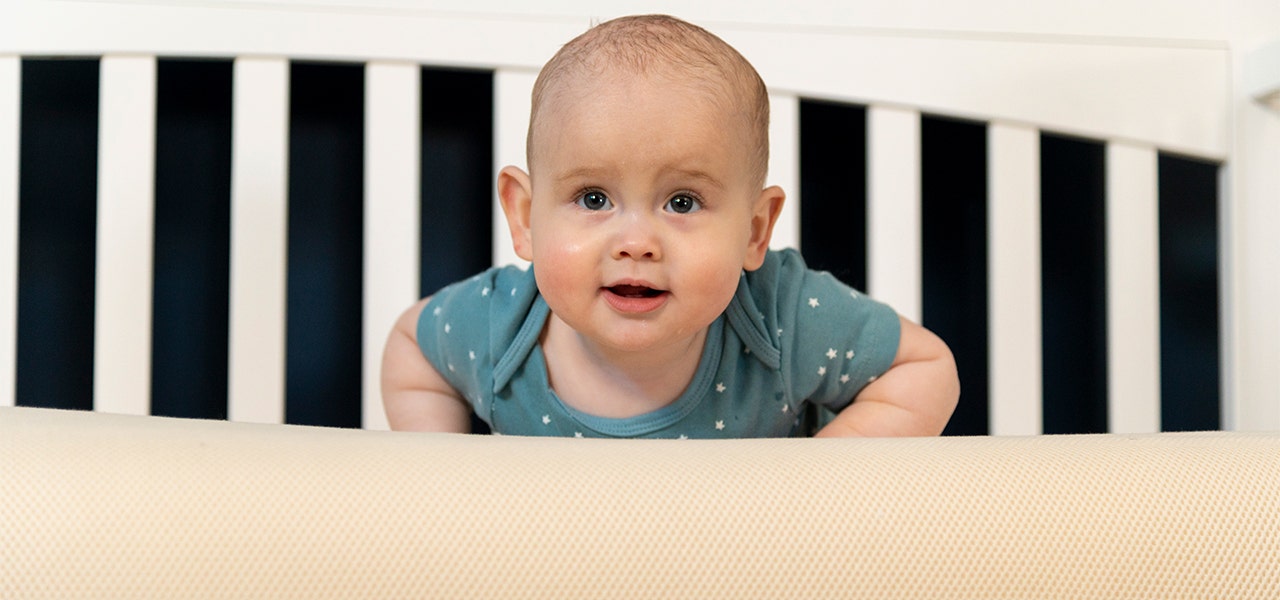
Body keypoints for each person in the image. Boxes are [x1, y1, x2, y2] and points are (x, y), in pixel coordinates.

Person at [381, 14, 959, 438]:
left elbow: (924, 369)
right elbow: (412, 348)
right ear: (525, 216)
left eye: (682, 203)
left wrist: (810, 485)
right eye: (593, 197)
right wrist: (443, 473)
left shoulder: (781, 320)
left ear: (755, 232)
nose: (636, 244)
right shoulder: (498, 328)